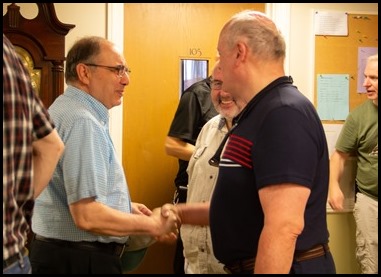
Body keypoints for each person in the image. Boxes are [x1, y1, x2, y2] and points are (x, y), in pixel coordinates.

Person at [167, 10, 337, 274]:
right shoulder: (256, 113)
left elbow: (284, 227)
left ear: (239, 52)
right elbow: (242, 207)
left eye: (221, 55)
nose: (218, 67)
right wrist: (180, 214)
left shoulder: (283, 113)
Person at [28, 36, 178, 274]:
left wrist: (122, 206)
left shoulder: (65, 109)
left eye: (126, 70)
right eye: (117, 70)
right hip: (79, 262)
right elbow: (87, 216)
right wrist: (152, 225)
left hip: (61, 256)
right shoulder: (82, 122)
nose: (126, 80)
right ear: (84, 73)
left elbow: (71, 195)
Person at [3, 34, 65, 274]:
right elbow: (52, 146)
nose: (125, 80)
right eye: (117, 69)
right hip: (14, 258)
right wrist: (17, 208)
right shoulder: (9, 53)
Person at [181, 62, 244, 274]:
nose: (223, 92)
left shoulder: (256, 130)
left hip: (232, 266)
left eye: (230, 83)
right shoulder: (207, 129)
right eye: (217, 83)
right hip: (196, 263)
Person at [328, 54, 378, 274]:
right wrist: (333, 187)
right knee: (371, 263)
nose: (365, 83)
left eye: (374, 78)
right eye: (365, 77)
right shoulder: (358, 117)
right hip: (370, 200)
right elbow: (339, 156)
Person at [165, 75, 218, 273]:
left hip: (221, 195)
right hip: (192, 190)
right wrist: (214, 159)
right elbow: (171, 145)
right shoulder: (197, 94)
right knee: (189, 256)